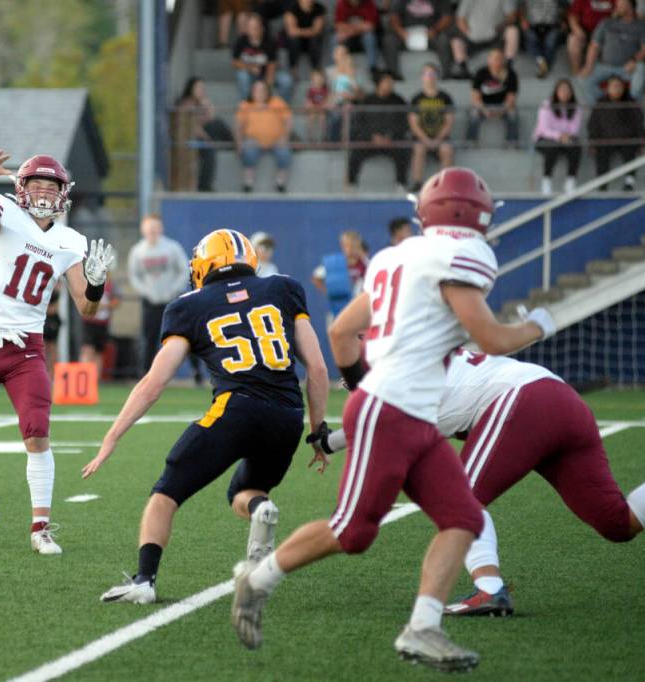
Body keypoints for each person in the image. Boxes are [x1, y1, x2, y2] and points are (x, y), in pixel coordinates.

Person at [230, 167, 556, 672]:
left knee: (464, 517)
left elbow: (341, 332)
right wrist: (536, 325)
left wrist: (364, 385)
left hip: (409, 410)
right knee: (353, 532)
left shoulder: (393, 258)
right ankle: (256, 579)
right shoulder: (464, 256)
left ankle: (423, 628)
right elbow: (489, 338)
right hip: (395, 409)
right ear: (476, 214)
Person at [315, 350, 645, 617]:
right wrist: (328, 440)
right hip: (559, 398)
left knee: (458, 503)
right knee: (618, 522)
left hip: (523, 402)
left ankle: (490, 589)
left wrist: (327, 441)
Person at [84, 229, 329, 604]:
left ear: (203, 265)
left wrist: (113, 436)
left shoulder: (189, 306)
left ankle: (144, 581)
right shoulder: (282, 288)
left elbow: (155, 381)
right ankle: (261, 511)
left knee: (165, 493)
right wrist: (317, 430)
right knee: (245, 492)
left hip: (236, 408)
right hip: (287, 414)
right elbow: (317, 368)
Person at [0, 150, 116, 554]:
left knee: (37, 431)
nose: (44, 191)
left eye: (52, 185)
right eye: (38, 183)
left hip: (26, 346)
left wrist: (95, 283)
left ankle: (40, 526)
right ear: (21, 188)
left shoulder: (70, 240)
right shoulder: (3, 210)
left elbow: (87, 308)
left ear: (64, 193)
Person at [127, 214, 192, 375]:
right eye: (149, 227)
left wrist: (174, 289)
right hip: (150, 302)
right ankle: (145, 373)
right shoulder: (137, 251)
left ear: (161, 228)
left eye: (155, 227)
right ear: (143, 229)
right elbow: (134, 276)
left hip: (172, 301)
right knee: (149, 339)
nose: (152, 230)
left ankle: (196, 372)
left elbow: (184, 270)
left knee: (183, 335)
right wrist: (146, 292)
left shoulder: (172, 247)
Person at [347, 71, 411, 191]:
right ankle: (352, 185)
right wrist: (372, 136)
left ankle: (401, 185)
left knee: (403, 152)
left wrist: (390, 136)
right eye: (387, 82)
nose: (390, 85)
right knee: (355, 153)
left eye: (391, 83)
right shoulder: (367, 101)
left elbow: (404, 123)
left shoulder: (399, 101)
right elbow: (359, 124)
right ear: (379, 84)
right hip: (369, 140)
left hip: (391, 140)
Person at [581, 0, 645, 104]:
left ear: (631, 7)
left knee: (641, 68)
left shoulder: (643, 25)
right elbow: (594, 45)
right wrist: (588, 66)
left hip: (627, 67)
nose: (617, 7)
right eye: (618, 4)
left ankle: (631, 105)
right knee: (584, 79)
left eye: (622, 4)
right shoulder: (606, 22)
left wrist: (634, 60)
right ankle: (604, 106)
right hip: (604, 65)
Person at [587, 75, 645, 190]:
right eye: (613, 86)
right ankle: (602, 184)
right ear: (608, 89)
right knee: (601, 155)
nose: (616, 89)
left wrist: (643, 141)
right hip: (606, 139)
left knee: (630, 150)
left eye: (619, 86)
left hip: (626, 138)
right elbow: (593, 124)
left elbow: (639, 123)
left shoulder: (630, 102)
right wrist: (592, 142)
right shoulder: (601, 103)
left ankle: (629, 182)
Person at [175, 77, 234, 192]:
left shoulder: (201, 102)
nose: (201, 90)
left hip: (203, 133)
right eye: (199, 88)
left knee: (217, 123)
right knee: (208, 148)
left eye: (203, 88)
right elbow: (192, 127)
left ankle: (231, 143)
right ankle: (204, 185)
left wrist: (207, 104)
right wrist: (207, 139)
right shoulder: (186, 103)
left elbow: (211, 118)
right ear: (191, 88)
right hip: (190, 137)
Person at [234, 79, 293, 193]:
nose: (259, 92)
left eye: (262, 90)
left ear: (267, 91)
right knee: (248, 151)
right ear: (252, 91)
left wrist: (284, 138)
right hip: (253, 140)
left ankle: (280, 183)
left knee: (284, 153)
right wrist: (239, 143)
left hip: (277, 140)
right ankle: (248, 183)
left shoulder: (277, 102)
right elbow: (238, 126)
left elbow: (289, 121)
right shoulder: (245, 105)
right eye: (256, 90)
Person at [408, 62, 455, 192]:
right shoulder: (417, 98)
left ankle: (446, 184)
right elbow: (413, 123)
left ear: (437, 76)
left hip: (440, 136)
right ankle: (417, 182)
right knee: (418, 149)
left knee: (446, 149)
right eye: (426, 73)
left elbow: (449, 122)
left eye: (432, 73)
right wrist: (426, 140)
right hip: (422, 137)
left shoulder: (445, 97)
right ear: (422, 77)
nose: (429, 76)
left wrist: (438, 139)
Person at [533, 78, 584, 194]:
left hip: (566, 139)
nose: (565, 93)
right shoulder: (546, 105)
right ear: (556, 92)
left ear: (571, 93)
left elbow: (574, 129)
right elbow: (544, 129)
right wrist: (559, 136)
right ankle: (546, 180)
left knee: (577, 146)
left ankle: (571, 180)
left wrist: (565, 137)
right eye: (562, 90)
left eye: (567, 90)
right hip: (544, 139)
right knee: (552, 146)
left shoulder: (576, 108)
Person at [383, 0, 454, 80]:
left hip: (430, 34)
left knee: (443, 39)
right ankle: (393, 74)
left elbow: (447, 17)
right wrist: (400, 30)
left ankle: (446, 73)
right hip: (406, 34)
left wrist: (435, 29)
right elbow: (393, 15)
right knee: (389, 40)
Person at [449, 0, 521, 79]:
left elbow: (512, 16)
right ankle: (463, 68)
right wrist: (468, 32)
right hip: (472, 36)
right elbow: (460, 18)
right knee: (455, 39)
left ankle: (508, 66)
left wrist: (502, 25)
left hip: (495, 36)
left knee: (512, 30)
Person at [232, 14, 293, 101]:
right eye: (250, 27)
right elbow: (235, 62)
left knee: (286, 80)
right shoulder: (241, 41)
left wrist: (267, 86)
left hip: (266, 73)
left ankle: (281, 109)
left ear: (261, 28)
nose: (252, 30)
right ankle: (247, 106)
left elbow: (272, 64)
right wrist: (250, 68)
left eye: (255, 27)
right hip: (250, 74)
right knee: (242, 76)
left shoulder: (270, 42)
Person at [467, 49, 520, 147]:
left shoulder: (511, 74)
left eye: (499, 58)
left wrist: (501, 110)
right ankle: (471, 142)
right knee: (473, 113)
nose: (497, 61)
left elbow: (511, 98)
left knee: (513, 113)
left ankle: (511, 143)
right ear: (489, 60)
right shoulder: (481, 73)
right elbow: (475, 97)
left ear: (503, 60)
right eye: (494, 58)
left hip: (502, 105)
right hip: (483, 105)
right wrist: (484, 109)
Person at [312, 230, 370, 318]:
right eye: (346, 245)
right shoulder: (334, 263)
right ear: (342, 246)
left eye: (353, 245)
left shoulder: (366, 264)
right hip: (339, 311)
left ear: (358, 245)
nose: (350, 249)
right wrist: (329, 292)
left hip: (360, 311)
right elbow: (316, 277)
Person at [79, 276, 120, 379]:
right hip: (90, 322)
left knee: (99, 352)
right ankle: (83, 379)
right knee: (87, 350)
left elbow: (116, 302)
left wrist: (105, 306)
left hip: (102, 324)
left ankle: (95, 381)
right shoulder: (88, 282)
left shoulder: (111, 286)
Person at [569, 0, 618, 73]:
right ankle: (577, 73)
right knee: (573, 40)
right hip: (585, 32)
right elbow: (573, 16)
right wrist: (576, 29)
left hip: (606, 34)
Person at [522, 0, 568, 77]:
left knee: (551, 41)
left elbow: (566, 7)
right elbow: (521, 8)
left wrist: (563, 20)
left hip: (552, 26)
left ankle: (545, 66)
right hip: (532, 26)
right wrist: (522, 19)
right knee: (530, 38)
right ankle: (542, 63)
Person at [335, 0, 381, 74]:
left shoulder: (369, 3)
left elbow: (371, 26)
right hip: (350, 37)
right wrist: (360, 27)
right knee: (336, 38)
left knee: (369, 37)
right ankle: (338, 67)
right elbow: (339, 26)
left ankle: (373, 68)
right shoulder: (342, 3)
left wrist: (350, 30)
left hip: (360, 36)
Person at [283, 0, 327, 74]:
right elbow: (291, 31)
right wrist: (310, 31)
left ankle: (316, 69)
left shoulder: (319, 8)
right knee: (293, 40)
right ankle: (293, 67)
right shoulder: (291, 8)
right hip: (297, 41)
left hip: (311, 41)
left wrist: (299, 31)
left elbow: (317, 31)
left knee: (315, 40)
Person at [303, 69, 330, 143]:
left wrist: (323, 105)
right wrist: (311, 106)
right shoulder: (311, 90)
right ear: (312, 80)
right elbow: (308, 100)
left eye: (320, 78)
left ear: (323, 79)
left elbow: (326, 99)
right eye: (316, 79)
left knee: (322, 117)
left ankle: (324, 136)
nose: (318, 80)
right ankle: (310, 136)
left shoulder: (325, 89)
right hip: (313, 108)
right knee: (311, 117)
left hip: (321, 108)